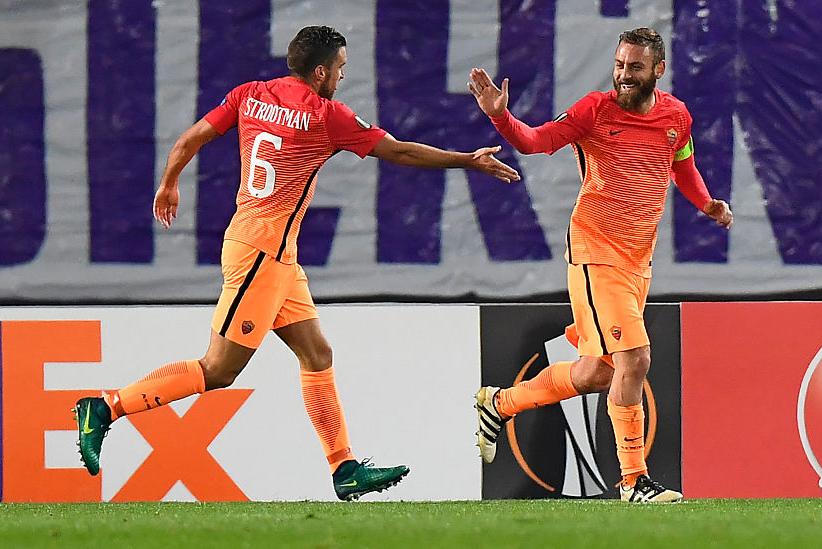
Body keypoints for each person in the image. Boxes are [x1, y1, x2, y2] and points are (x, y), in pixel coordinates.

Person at [74, 25, 520, 502]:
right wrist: (468, 161)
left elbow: (191, 138)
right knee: (219, 369)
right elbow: (401, 151)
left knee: (317, 354)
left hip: (271, 252)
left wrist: (169, 182)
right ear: (322, 70)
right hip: (261, 255)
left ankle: (344, 468)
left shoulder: (250, 94)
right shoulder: (327, 115)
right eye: (341, 69)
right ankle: (105, 407)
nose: (342, 78)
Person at [468, 27, 732, 503]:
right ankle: (634, 482)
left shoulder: (677, 116)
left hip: (638, 261)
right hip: (596, 251)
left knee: (597, 373)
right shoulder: (594, 110)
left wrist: (707, 203)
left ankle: (499, 403)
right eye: (619, 64)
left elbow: (681, 165)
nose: (623, 74)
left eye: (634, 66)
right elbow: (534, 142)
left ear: (658, 70)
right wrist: (501, 117)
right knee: (636, 359)